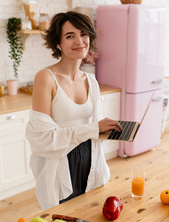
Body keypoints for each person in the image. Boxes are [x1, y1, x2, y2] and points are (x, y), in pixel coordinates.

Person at [25, 11, 122, 210]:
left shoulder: (91, 82)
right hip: (61, 163)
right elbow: (41, 138)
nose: (79, 41)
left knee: (89, 216)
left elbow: (95, 128)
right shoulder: (46, 78)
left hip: (90, 160)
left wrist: (109, 129)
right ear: (58, 43)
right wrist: (93, 128)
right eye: (70, 36)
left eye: (83, 34)